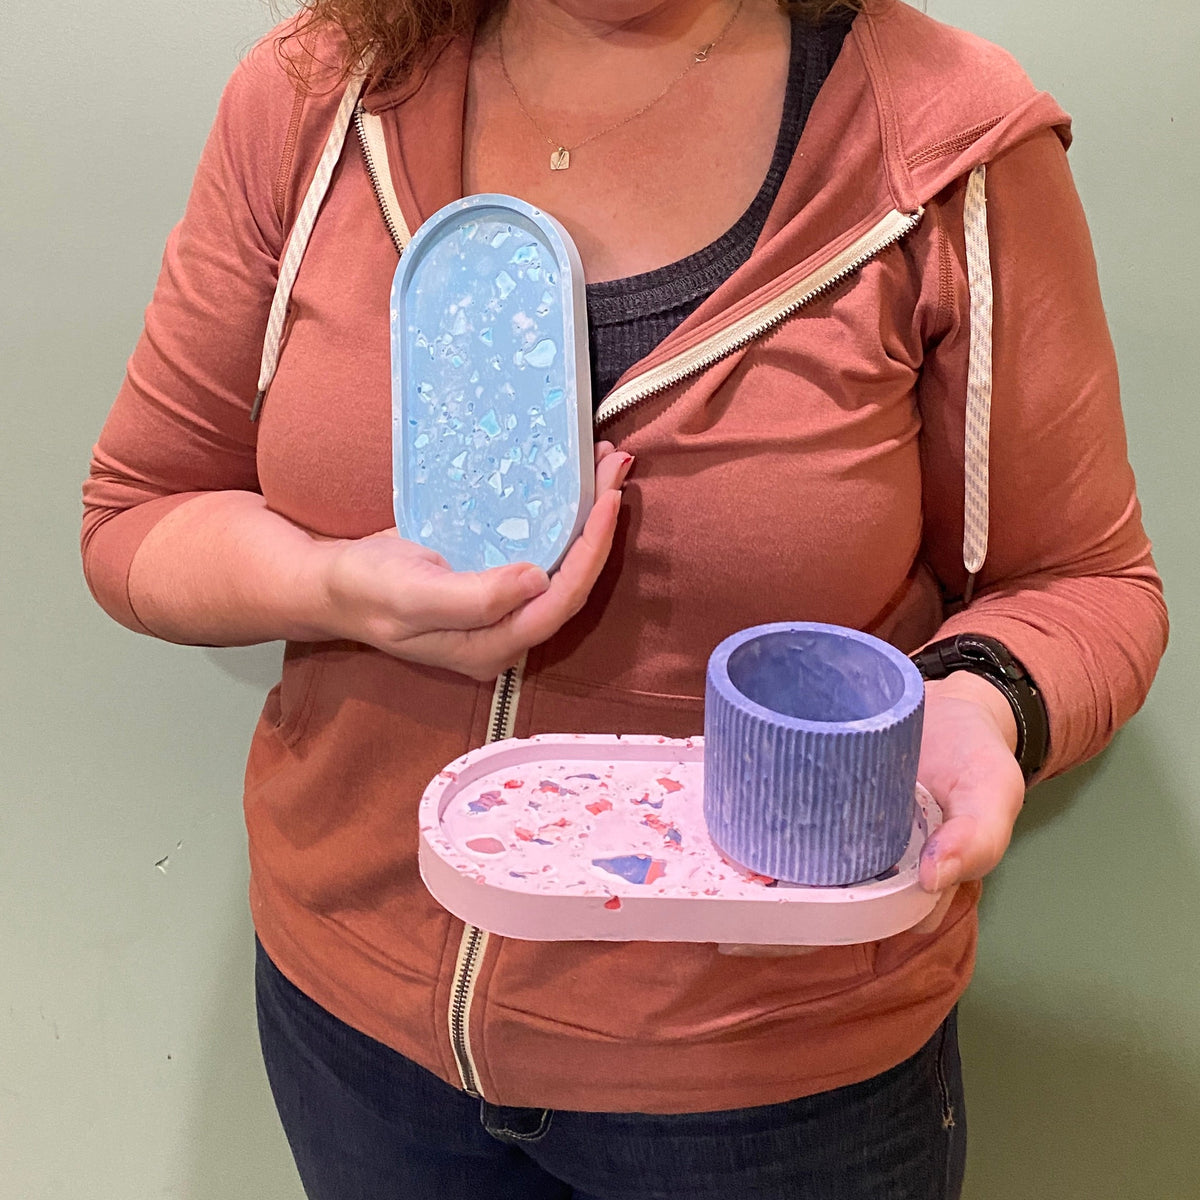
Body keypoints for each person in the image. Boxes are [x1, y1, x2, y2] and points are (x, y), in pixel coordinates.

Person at [80, 0, 1168, 1195]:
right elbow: (139, 513)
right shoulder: (321, 93)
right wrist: (336, 589)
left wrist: (983, 702)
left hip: (775, 1089)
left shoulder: (947, 143)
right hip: (356, 1041)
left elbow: (1087, 584)